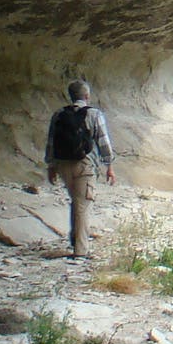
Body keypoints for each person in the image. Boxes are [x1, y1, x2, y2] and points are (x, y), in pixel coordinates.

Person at [44, 80, 116, 259]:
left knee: (76, 201)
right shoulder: (94, 114)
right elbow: (103, 142)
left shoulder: (59, 114)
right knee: (82, 205)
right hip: (84, 165)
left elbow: (51, 142)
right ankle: (81, 250)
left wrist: (51, 166)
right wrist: (109, 166)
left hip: (62, 164)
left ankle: (74, 240)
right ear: (87, 96)